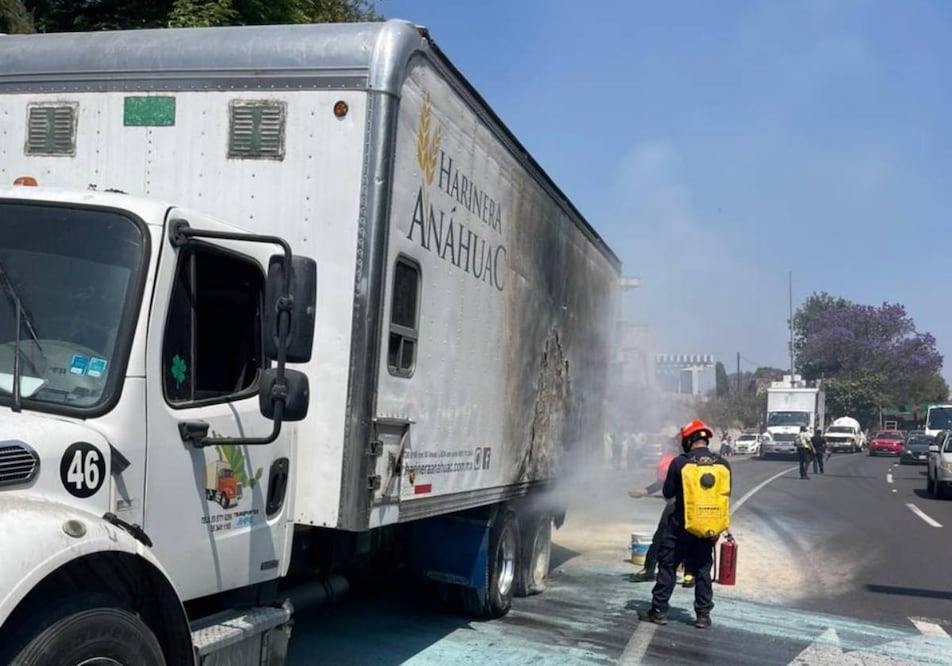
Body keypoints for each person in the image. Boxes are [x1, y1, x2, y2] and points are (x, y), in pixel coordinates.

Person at [640, 420, 731, 629]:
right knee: (701, 569)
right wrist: (719, 526)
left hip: (680, 525)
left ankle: (659, 611)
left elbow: (668, 492)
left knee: (668, 566)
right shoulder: (722, 464)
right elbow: (724, 496)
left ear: (689, 440)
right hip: (707, 526)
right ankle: (703, 616)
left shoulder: (680, 463)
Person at [628, 439, 694, 588]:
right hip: (675, 506)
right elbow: (662, 483)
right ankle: (649, 569)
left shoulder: (694, 462)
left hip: (692, 507)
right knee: (660, 537)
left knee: (691, 539)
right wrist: (643, 491)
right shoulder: (675, 462)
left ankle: (689, 573)